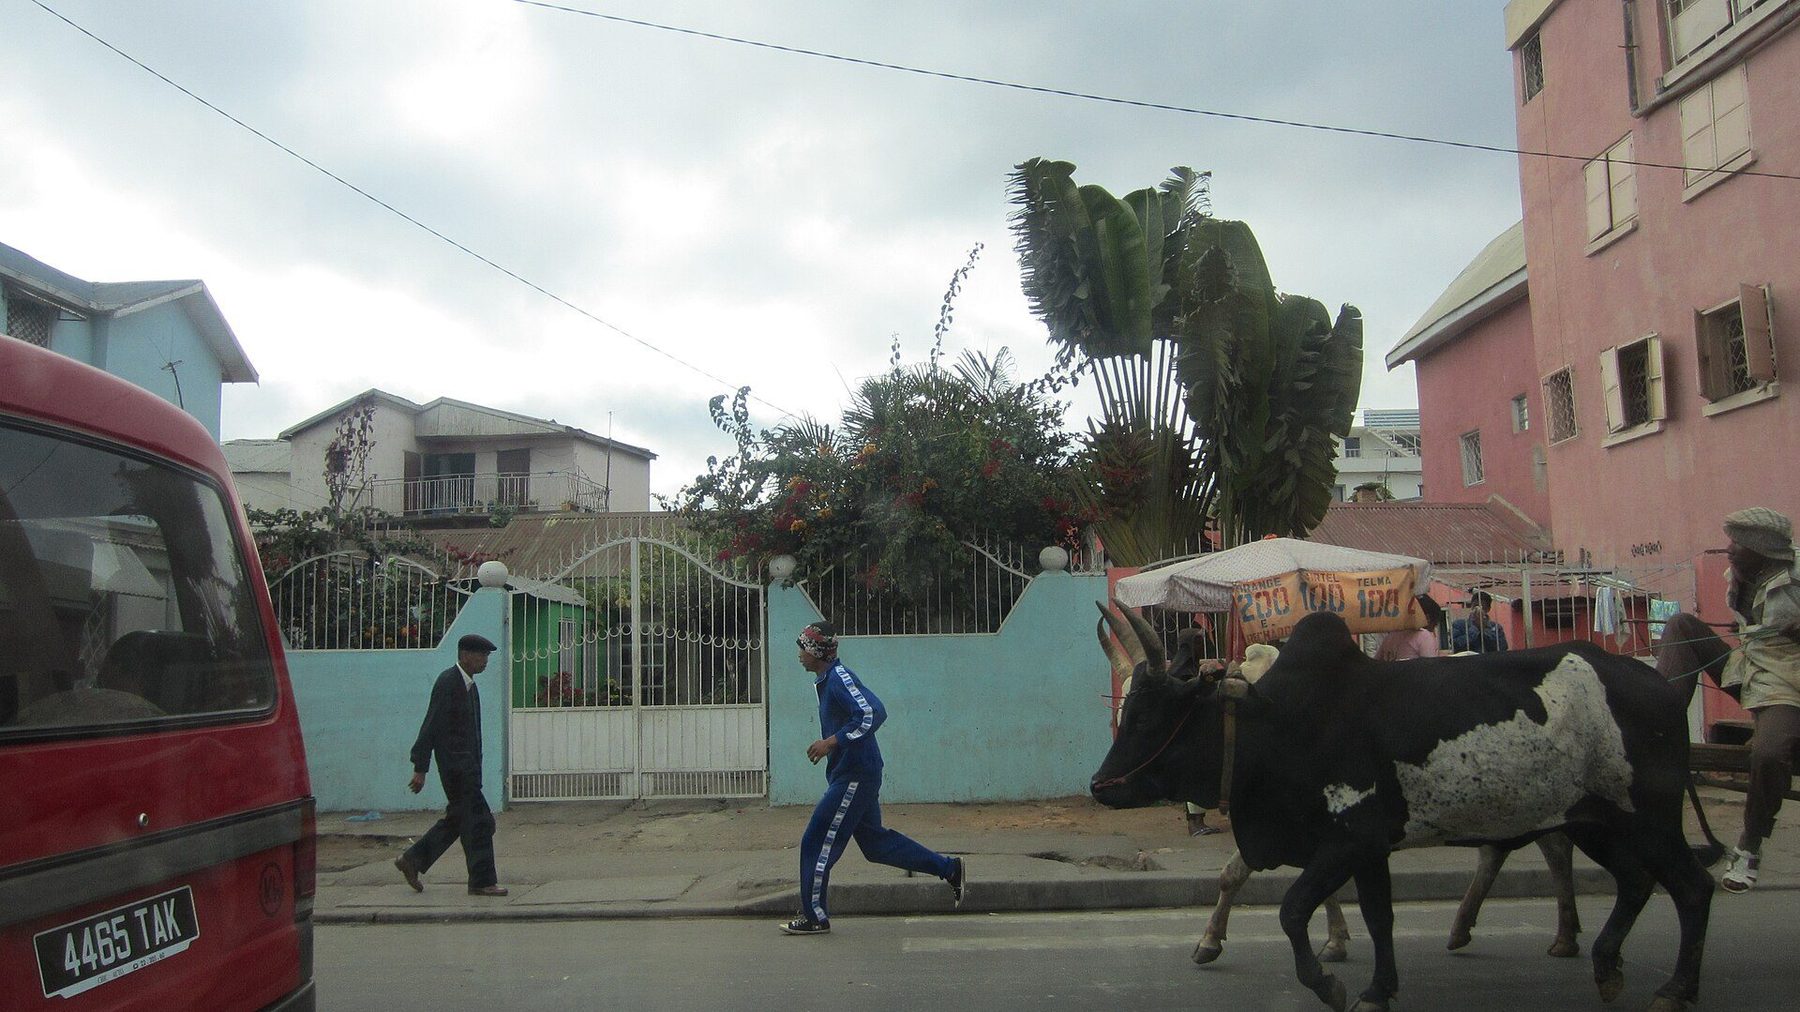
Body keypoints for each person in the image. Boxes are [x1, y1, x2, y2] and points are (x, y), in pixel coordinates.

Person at [781, 621, 965, 935]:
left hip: (855, 774)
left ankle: (815, 917)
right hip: (853, 772)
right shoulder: (828, 680)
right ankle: (949, 869)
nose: (799, 653)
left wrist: (831, 742)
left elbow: (872, 713)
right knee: (875, 845)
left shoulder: (839, 678)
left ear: (818, 652)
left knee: (815, 840)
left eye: (804, 647)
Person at [1655, 506, 1800, 893]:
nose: (1730, 548)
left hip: (1787, 681)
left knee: (1769, 754)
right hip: (1747, 668)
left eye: (1738, 542)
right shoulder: (1741, 574)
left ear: (1762, 548)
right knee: (1682, 626)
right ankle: (1656, 729)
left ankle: (1750, 846)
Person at [394, 634, 508, 896]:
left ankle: (412, 860)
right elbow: (430, 726)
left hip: (467, 769)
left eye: (488, 656)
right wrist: (420, 768)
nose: (486, 661)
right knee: (480, 823)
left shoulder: (470, 686)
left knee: (459, 820)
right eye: (482, 655)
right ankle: (482, 882)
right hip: (456, 770)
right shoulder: (449, 683)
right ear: (465, 655)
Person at [1376, 594, 1445, 661]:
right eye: (1434, 624)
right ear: (1427, 618)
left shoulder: (1390, 637)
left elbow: (1377, 662)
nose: (1433, 630)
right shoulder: (1424, 636)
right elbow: (1431, 668)